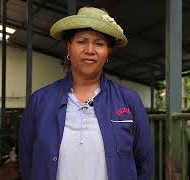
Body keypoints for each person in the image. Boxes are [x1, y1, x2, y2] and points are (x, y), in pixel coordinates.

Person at [18, 6, 154, 180]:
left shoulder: (129, 101)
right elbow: (27, 162)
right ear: (69, 47)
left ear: (108, 52)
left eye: (99, 44)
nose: (90, 50)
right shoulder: (40, 101)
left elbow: (145, 164)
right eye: (82, 41)